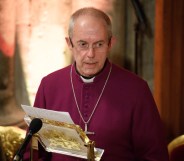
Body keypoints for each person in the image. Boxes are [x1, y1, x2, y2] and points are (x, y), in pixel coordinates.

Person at [32, 7, 169, 161]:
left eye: (99, 44)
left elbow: (155, 156)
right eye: (83, 44)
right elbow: (35, 153)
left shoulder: (136, 90)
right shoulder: (49, 86)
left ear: (110, 44)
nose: (91, 54)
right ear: (69, 43)